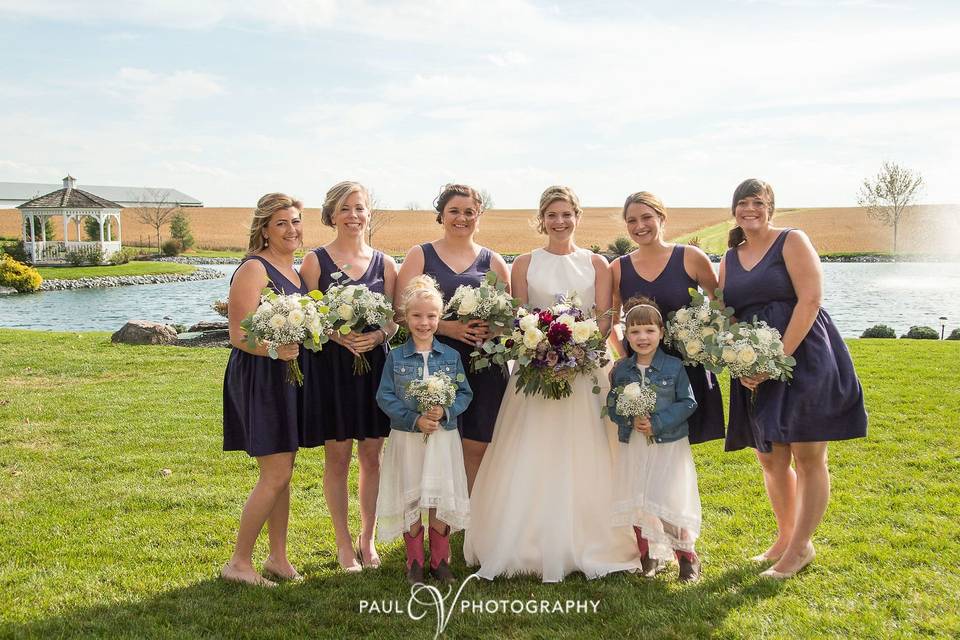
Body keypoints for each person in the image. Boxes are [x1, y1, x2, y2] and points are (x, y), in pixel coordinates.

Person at [463, 185, 641, 582]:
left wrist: (577, 348)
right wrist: (544, 349)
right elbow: (520, 317)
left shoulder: (597, 263)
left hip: (585, 370)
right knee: (533, 449)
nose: (559, 222)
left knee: (589, 449)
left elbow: (606, 317)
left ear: (577, 217)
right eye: (552, 215)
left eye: (566, 215)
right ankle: (525, 540)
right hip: (536, 369)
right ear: (541, 219)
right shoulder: (525, 263)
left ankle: (593, 538)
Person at [720, 178, 868, 579]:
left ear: (770, 207)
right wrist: (740, 362)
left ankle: (801, 547)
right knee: (770, 456)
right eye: (742, 203)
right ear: (733, 210)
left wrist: (777, 358)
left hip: (804, 355)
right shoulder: (730, 257)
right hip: (753, 361)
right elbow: (727, 313)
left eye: (757, 202)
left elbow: (811, 300)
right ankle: (785, 538)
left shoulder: (792, 240)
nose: (749, 209)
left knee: (807, 453)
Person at [300, 181, 398, 572]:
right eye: (345, 209)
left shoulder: (386, 264)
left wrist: (377, 334)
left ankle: (367, 538)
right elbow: (309, 318)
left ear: (368, 213)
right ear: (331, 214)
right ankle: (343, 544)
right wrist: (337, 335)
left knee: (373, 456)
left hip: (374, 366)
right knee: (337, 458)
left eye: (359, 208)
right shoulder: (314, 261)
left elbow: (393, 320)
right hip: (332, 368)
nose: (353, 216)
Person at [395, 184, 510, 493]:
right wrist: (447, 328)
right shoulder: (421, 255)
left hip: (484, 364)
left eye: (469, 212)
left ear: (479, 215)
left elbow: (509, 318)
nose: (462, 218)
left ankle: (468, 518)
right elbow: (399, 310)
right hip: (435, 363)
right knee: (437, 441)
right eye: (454, 211)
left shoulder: (494, 261)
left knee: (477, 444)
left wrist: (493, 329)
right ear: (441, 215)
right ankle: (436, 515)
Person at [221, 193, 308, 586]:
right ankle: (238, 563)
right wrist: (274, 349)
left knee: (284, 471)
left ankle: (278, 557)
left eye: (295, 221)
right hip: (260, 375)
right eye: (282, 223)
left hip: (285, 375)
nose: (292, 229)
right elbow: (238, 333)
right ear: (264, 230)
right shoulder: (254, 269)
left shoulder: (295, 270)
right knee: (275, 472)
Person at [375, 275, 473, 584]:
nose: (424, 322)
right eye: (417, 315)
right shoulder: (396, 357)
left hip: (443, 439)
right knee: (412, 496)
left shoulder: (452, 357)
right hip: (408, 439)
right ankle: (414, 562)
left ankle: (440, 561)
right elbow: (385, 396)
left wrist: (444, 411)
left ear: (439, 317)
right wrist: (413, 419)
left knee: (440, 495)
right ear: (405, 317)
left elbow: (464, 394)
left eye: (431, 316)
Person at [610, 191, 724, 444]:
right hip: (641, 370)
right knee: (642, 443)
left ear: (662, 218)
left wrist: (706, 340)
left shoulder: (691, 257)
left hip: (687, 367)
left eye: (647, 217)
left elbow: (719, 305)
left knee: (681, 445)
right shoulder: (618, 268)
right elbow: (612, 320)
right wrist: (626, 357)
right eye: (631, 220)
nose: (639, 226)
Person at [607, 297, 701, 582]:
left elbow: (687, 402)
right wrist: (628, 418)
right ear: (626, 335)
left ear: (661, 332)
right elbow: (612, 403)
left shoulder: (673, 367)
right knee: (638, 497)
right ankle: (648, 555)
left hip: (667, 444)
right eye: (634, 331)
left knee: (666, 499)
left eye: (649, 330)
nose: (642, 337)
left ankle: (687, 557)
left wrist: (657, 422)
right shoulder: (621, 370)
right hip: (633, 443)